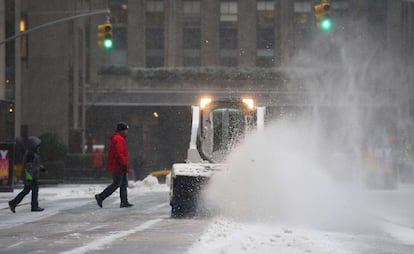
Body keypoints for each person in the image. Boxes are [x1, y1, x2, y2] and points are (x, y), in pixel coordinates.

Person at [95, 122, 133, 208]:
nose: (127, 132)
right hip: (119, 166)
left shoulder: (118, 138)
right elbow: (119, 153)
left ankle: (124, 201)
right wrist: (123, 163)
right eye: (126, 130)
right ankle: (101, 196)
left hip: (120, 165)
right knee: (116, 184)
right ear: (122, 130)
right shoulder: (118, 139)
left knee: (123, 184)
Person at [9, 136, 46, 213]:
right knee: (34, 190)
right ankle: (34, 206)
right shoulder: (30, 154)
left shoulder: (32, 154)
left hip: (32, 176)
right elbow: (29, 167)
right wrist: (29, 178)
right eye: (38, 146)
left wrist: (41, 168)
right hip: (31, 177)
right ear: (34, 146)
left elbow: (35, 165)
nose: (39, 148)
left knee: (27, 190)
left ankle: (14, 203)